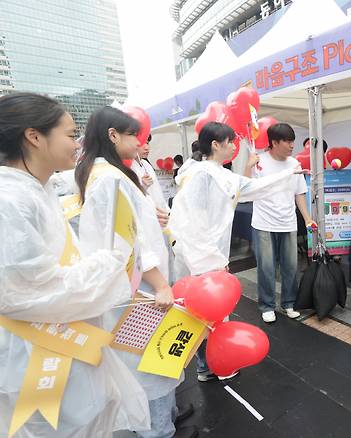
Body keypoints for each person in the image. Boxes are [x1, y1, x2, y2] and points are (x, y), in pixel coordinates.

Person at [0, 93, 150, 437]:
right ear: (34, 137)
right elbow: (30, 290)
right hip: (37, 352)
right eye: (69, 135)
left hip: (61, 341)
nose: (77, 143)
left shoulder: (36, 190)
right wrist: (109, 265)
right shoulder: (10, 200)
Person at [74, 107, 196, 438]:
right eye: (133, 135)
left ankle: (164, 419)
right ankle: (159, 429)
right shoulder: (112, 180)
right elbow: (128, 245)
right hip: (139, 291)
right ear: (113, 135)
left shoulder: (100, 174)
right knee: (150, 366)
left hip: (127, 290)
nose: (138, 141)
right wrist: (160, 285)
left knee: (147, 363)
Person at [169, 122, 306, 381]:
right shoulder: (202, 175)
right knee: (202, 313)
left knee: (212, 314)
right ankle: (207, 366)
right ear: (215, 145)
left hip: (211, 257)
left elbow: (254, 188)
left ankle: (216, 363)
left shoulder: (221, 174)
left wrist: (290, 175)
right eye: (230, 142)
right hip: (198, 258)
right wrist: (210, 262)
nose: (234, 146)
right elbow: (192, 222)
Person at [252, 123, 315, 323]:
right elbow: (245, 188)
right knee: (267, 267)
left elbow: (300, 194)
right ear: (274, 142)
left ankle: (289, 303)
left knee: (290, 266)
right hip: (263, 223)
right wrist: (247, 165)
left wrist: (307, 218)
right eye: (287, 141)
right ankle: (267, 305)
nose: (291, 145)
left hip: (288, 222)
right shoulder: (258, 162)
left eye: (292, 141)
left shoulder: (294, 163)